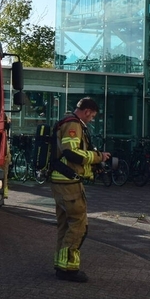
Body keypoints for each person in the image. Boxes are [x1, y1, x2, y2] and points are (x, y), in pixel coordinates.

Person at [48, 97, 109, 283]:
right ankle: (68, 269)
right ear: (88, 111)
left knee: (65, 225)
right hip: (68, 183)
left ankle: (61, 264)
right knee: (78, 225)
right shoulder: (73, 125)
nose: (91, 119)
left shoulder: (67, 123)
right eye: (92, 116)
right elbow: (71, 153)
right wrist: (99, 157)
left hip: (62, 182)